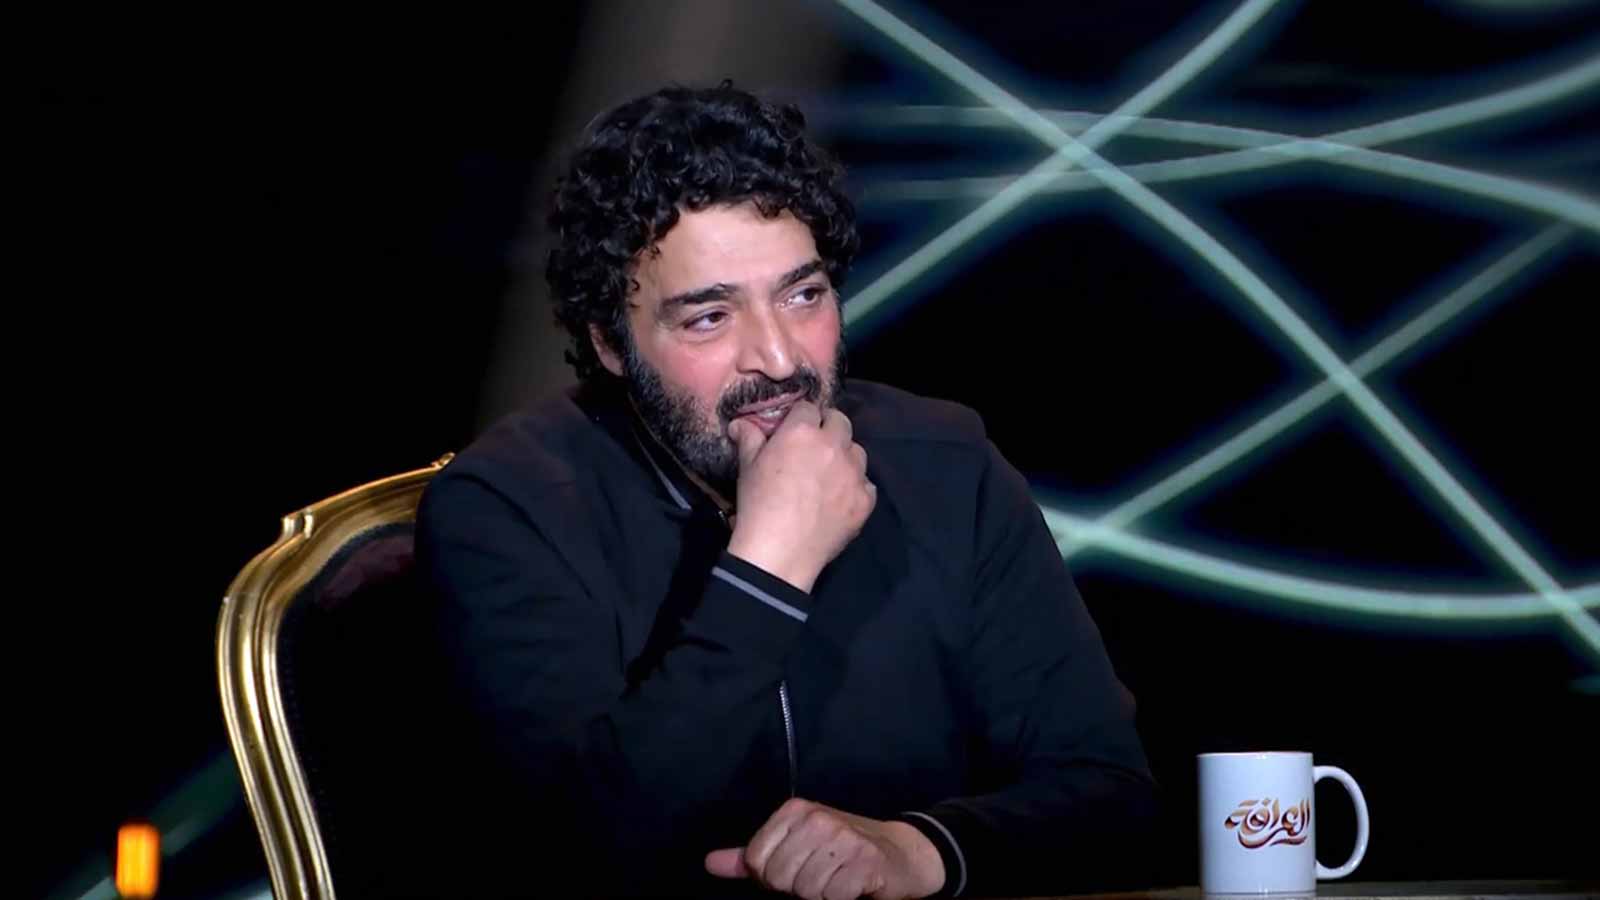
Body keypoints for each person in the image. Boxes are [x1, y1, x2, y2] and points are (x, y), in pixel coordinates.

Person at [416, 82, 1157, 899]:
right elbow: (583, 857)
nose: (777, 359)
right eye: (709, 317)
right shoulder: (506, 509)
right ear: (611, 344)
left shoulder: (947, 462)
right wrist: (768, 570)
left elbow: (1112, 794)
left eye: (803, 295)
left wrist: (919, 850)